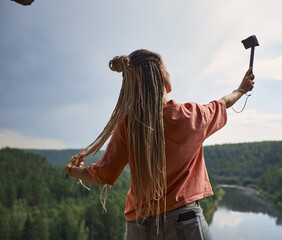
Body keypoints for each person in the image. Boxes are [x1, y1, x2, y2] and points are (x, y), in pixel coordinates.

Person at [65, 49, 255, 240]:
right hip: (185, 221)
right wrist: (241, 90)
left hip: (140, 226)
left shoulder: (128, 123)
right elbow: (222, 103)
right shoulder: (190, 117)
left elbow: (104, 174)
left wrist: (73, 171)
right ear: (161, 73)